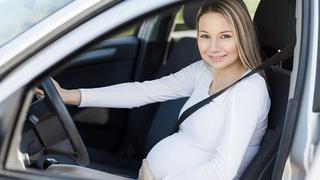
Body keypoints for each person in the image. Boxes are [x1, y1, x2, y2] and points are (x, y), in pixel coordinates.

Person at [36, 0, 270, 179]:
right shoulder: (204, 70)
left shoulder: (249, 90)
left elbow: (223, 172)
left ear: (242, 36)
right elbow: (145, 91)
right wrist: (70, 96)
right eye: (205, 36)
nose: (214, 47)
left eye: (225, 36)